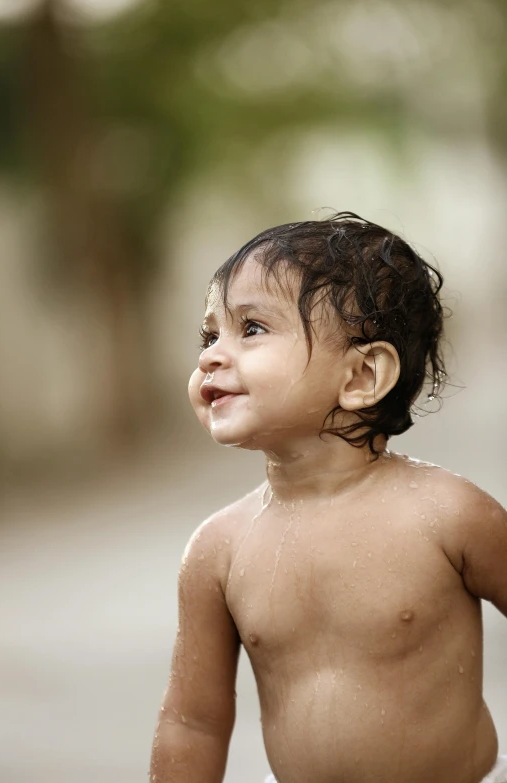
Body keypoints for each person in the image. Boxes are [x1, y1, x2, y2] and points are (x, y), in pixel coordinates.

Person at [150, 214, 507, 783]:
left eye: (252, 329)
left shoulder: (449, 516)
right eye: (209, 335)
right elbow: (193, 722)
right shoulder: (218, 550)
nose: (211, 356)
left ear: (362, 374)